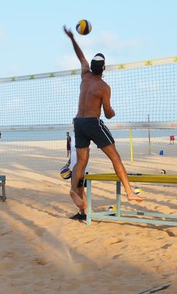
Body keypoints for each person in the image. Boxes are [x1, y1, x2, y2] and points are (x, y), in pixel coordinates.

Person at [63, 26, 143, 213]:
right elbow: (107, 114)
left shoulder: (85, 75)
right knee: (115, 157)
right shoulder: (104, 87)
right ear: (104, 68)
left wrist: (72, 38)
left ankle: (73, 190)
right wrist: (112, 111)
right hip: (93, 122)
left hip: (78, 123)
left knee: (80, 162)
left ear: (91, 67)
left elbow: (80, 56)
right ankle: (130, 192)